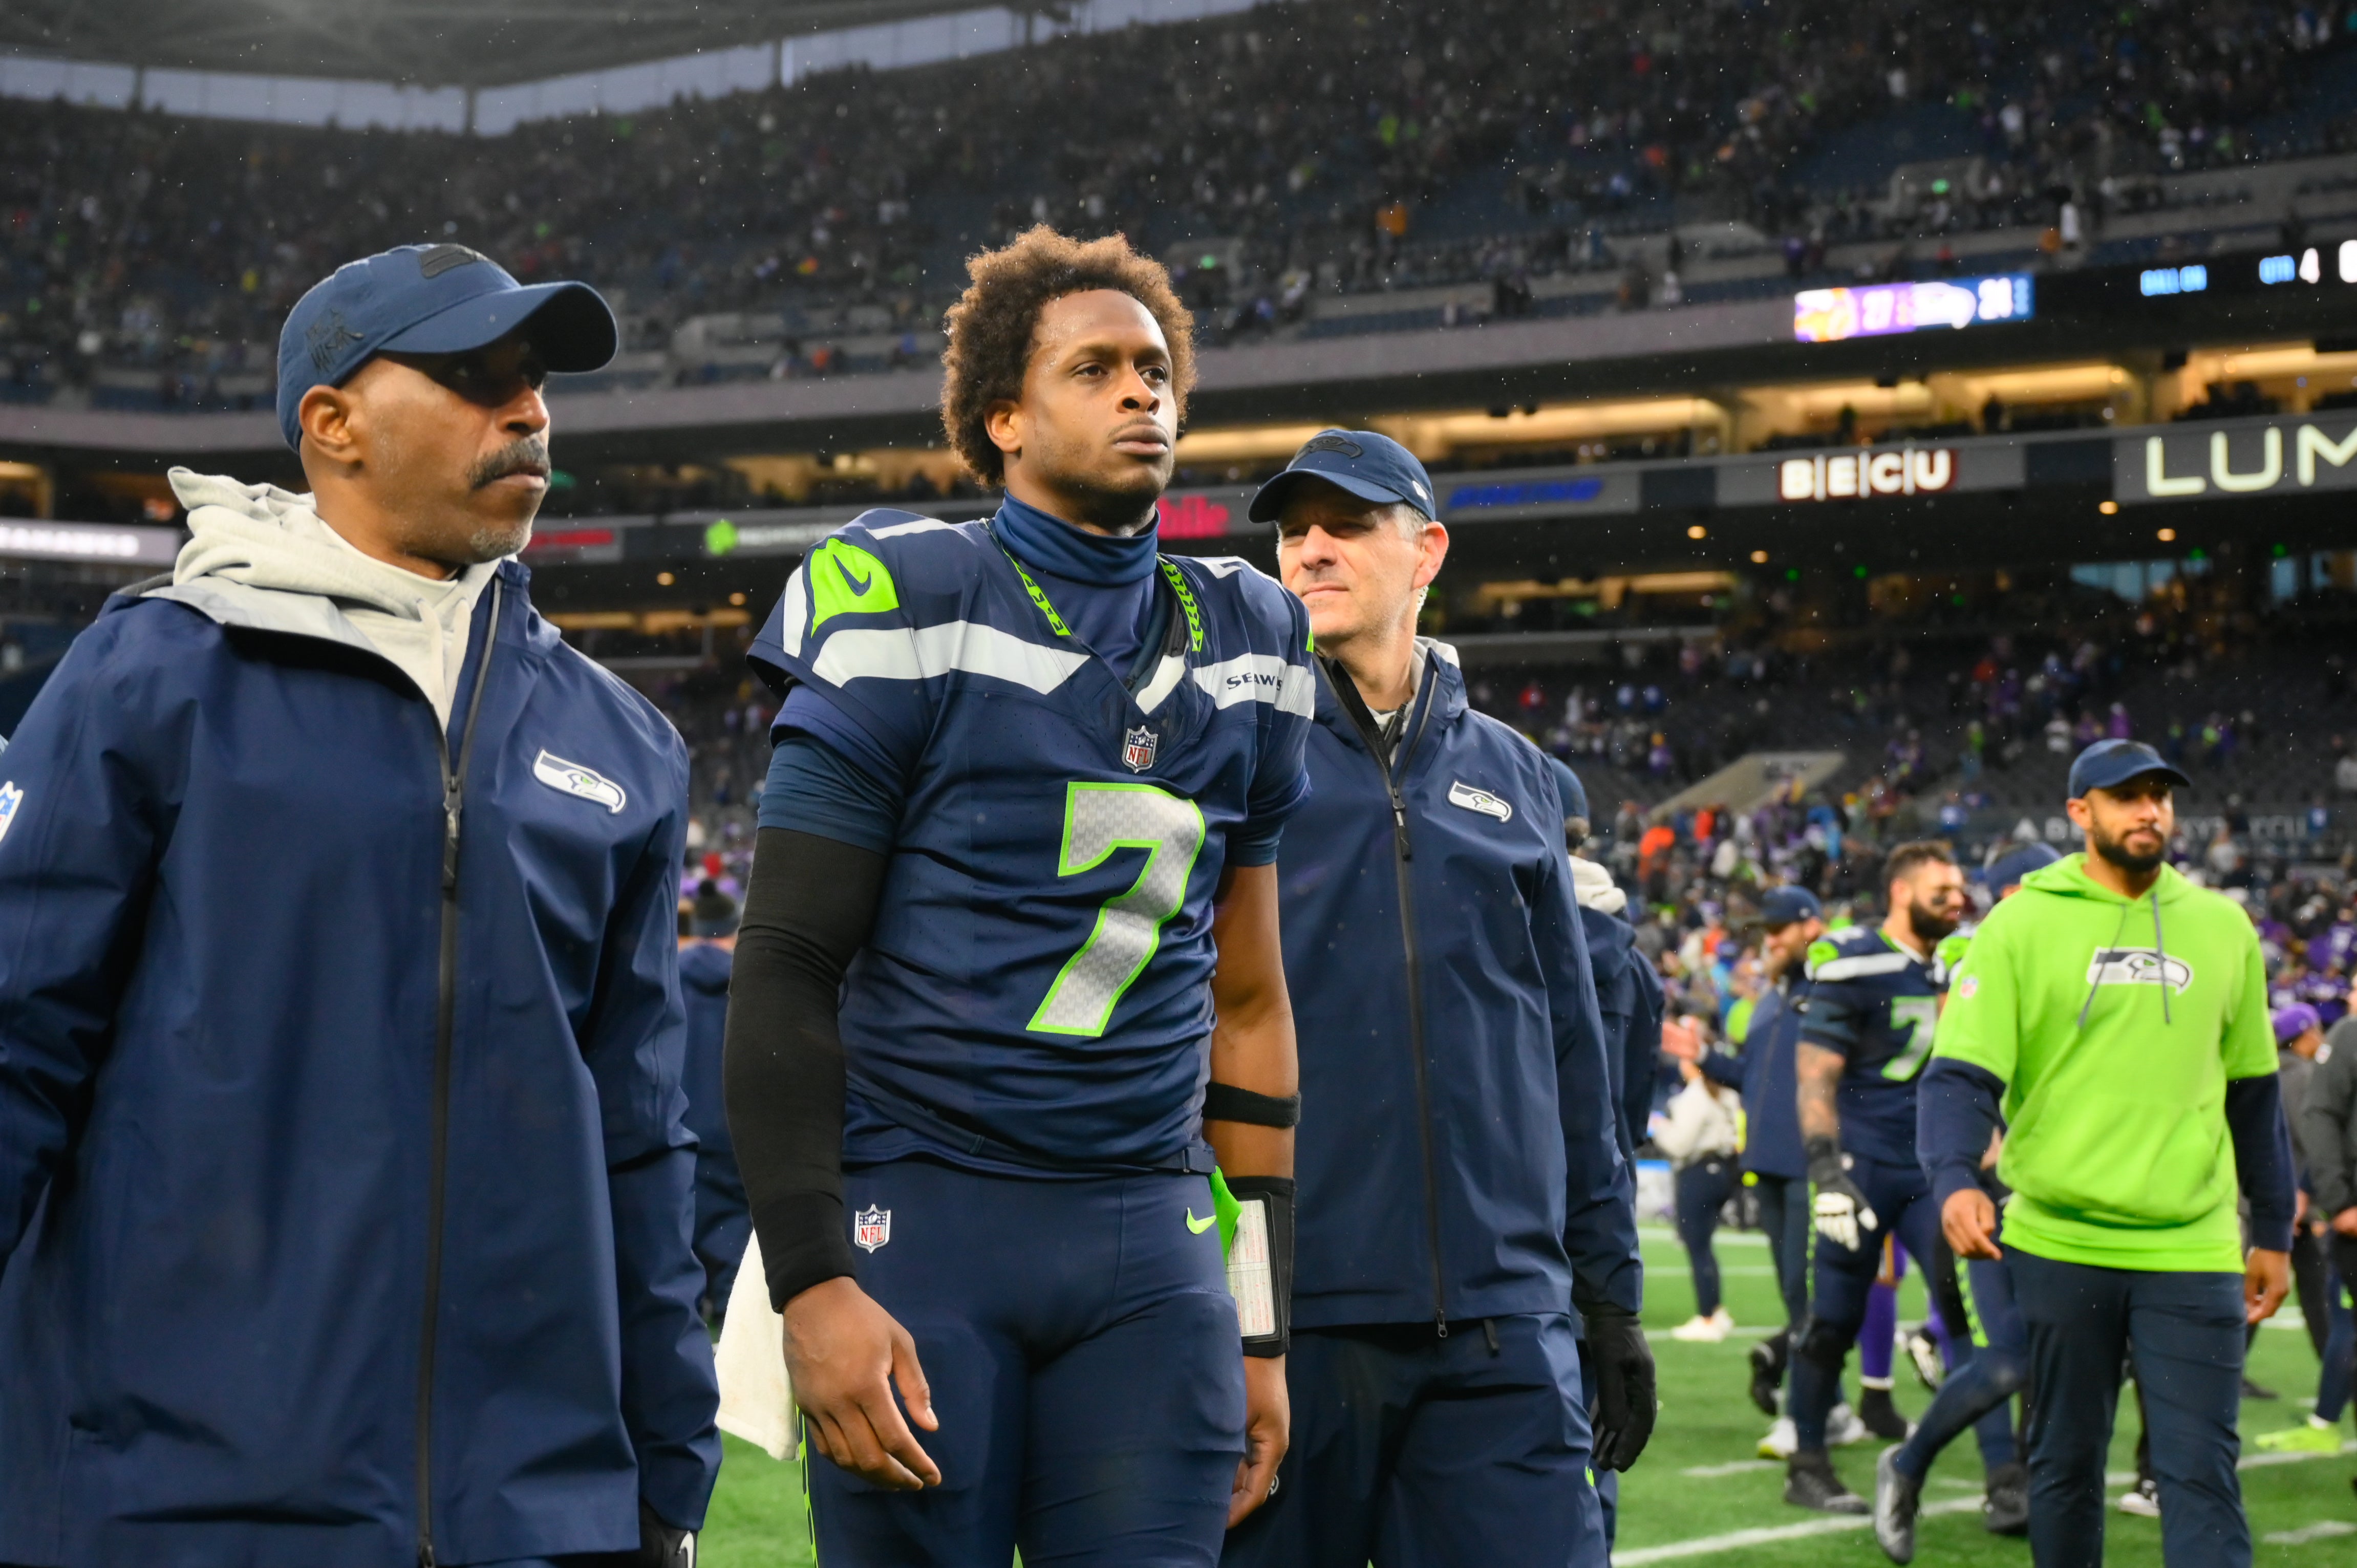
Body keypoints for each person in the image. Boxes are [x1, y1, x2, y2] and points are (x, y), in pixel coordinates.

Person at [0, 243, 716, 1566]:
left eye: (534, 379)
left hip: (530, 1510)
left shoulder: (624, 744)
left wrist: (665, 1452)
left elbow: (639, 1133)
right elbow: (13, 1045)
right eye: (470, 374)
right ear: (329, 423)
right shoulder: (149, 674)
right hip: (177, 1498)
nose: (527, 409)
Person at [723, 228, 1309, 1565]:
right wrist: (814, 1278)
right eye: (1093, 366)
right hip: (926, 1218)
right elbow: (788, 957)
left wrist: (1262, 1321)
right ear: (1004, 414)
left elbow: (1253, 1001)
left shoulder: (1253, 635)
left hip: (1150, 1240)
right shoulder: (906, 591)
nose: (1138, 392)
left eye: (1155, 368)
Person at [1221, 432, 1649, 1568]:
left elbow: (1570, 1054)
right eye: (1292, 531)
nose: (1311, 550)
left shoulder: (1511, 773)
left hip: (1503, 1327)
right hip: (1292, 1326)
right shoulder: (1226, 756)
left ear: (1426, 552)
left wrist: (1609, 1297)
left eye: (1347, 524)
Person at [1922, 739, 2294, 1568]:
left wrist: (2269, 1225)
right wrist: (1952, 1177)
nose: (2147, 809)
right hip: (2059, 1240)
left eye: (2158, 793)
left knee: (2199, 1471)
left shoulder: (2220, 925)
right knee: (2062, 1462)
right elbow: (1957, 1077)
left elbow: (2253, 1095)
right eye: (2124, 795)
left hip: (2191, 1245)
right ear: (2077, 812)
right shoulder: (2020, 923)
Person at [1872, 842, 2062, 1560]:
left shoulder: (2071, 953)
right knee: (2005, 1356)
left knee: (2055, 1353)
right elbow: (1954, 1068)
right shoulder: (1977, 956)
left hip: (2049, 1186)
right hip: (1979, 1185)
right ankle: (1918, 1464)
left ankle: (2026, 1482)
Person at [1784, 840, 1968, 1513]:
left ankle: (2008, 1474)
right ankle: (1807, 1460)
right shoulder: (1851, 959)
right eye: (1942, 888)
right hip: (1862, 1166)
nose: (1957, 898)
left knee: (1969, 1312)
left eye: (1959, 888)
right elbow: (1815, 1076)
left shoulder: (1957, 963)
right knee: (1834, 1317)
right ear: (1902, 890)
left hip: (1930, 1167)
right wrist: (1826, 1169)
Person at [2254, 1001, 2350, 1456]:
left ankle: (2326, 1408)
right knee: (2329, 1306)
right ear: (2307, 1034)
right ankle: (2326, 1411)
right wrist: (2323, 1195)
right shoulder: (2304, 1075)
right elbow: (2317, 1131)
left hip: (2286, 1200)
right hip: (2300, 1202)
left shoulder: (2279, 1072)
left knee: (2325, 1303)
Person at [680, 883, 746, 1322]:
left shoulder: (664, 971)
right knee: (736, 1270)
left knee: (675, 1261)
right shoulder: (753, 979)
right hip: (737, 1133)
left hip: (677, 1129)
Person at [1659, 1048, 1743, 1342]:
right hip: (1723, 1171)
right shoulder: (1726, 1093)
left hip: (1697, 1172)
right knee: (1706, 1246)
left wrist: (1659, 1129)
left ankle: (1707, 1317)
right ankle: (1716, 1311)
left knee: (1697, 1247)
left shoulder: (1694, 1096)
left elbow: (1680, 1144)